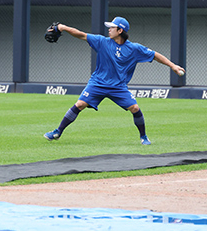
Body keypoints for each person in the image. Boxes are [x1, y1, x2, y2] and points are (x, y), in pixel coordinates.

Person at [43, 17, 185, 145]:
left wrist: (172, 65)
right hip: (97, 83)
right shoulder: (102, 42)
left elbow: (155, 55)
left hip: (118, 87)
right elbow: (81, 34)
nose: (109, 29)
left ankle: (144, 137)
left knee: (135, 108)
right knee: (80, 104)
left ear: (120, 30)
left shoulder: (134, 48)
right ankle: (57, 132)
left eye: (112, 27)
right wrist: (63, 27)